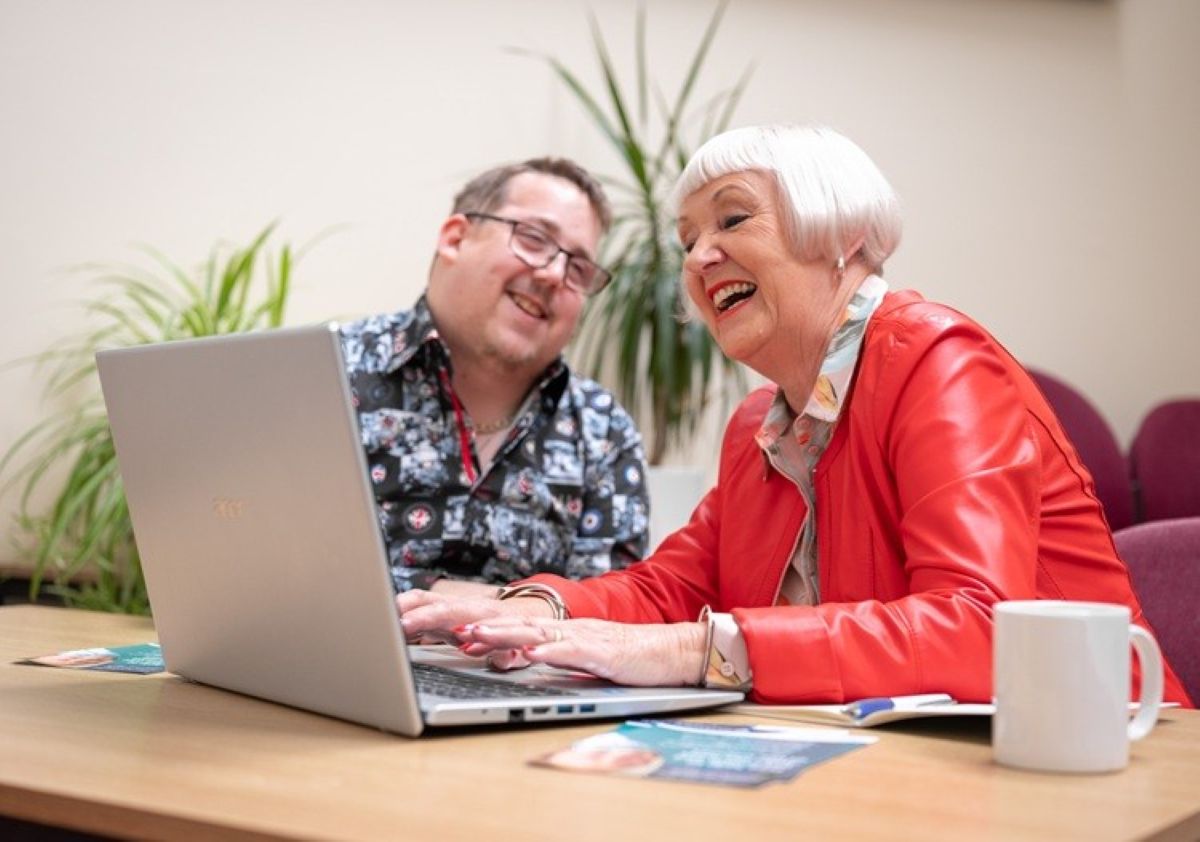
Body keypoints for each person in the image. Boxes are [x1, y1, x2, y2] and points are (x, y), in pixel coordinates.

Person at [395, 126, 1192, 706]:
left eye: (732, 219)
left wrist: (692, 651)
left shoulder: (938, 358)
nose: (699, 256)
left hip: (1101, 752)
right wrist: (532, 609)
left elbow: (980, 624)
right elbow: (674, 586)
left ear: (843, 234)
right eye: (687, 240)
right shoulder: (759, 426)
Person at [341, 158, 649, 598]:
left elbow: (609, 611)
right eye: (534, 239)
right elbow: (279, 562)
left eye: (578, 268)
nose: (553, 274)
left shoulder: (604, 431)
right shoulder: (335, 371)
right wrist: (454, 597)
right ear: (456, 238)